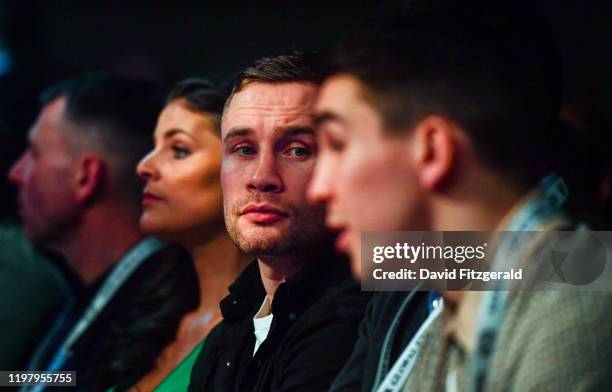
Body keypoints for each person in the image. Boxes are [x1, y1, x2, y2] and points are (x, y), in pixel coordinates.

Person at [308, 2, 612, 391]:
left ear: (433, 151)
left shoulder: (580, 292)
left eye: (337, 144)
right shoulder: (455, 298)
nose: (318, 189)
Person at [188, 52, 370, 392]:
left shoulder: (365, 310)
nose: (261, 177)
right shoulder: (229, 330)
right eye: (243, 149)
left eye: (298, 150)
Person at [10, 73, 199, 391]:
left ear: (86, 177)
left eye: (34, 154)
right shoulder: (83, 292)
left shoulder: (156, 309)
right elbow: (60, 379)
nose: (16, 173)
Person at [125, 78, 250, 391]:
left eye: (178, 150)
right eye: (153, 147)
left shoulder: (267, 332)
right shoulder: (152, 315)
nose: (144, 167)